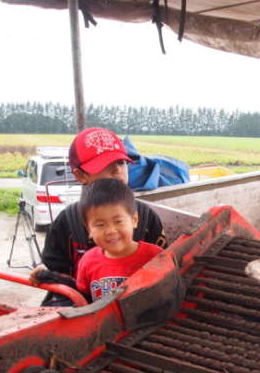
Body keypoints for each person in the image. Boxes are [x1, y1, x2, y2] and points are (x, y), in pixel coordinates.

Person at [30, 127, 166, 305]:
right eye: (105, 165)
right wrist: (48, 277)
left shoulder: (147, 218)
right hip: (82, 305)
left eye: (121, 162)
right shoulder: (66, 222)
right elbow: (59, 275)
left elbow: (163, 273)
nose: (117, 171)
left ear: (134, 220)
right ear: (80, 175)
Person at [76, 178, 164, 302]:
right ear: (89, 230)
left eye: (118, 221)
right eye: (100, 225)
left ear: (134, 220)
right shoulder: (87, 262)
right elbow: (83, 298)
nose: (111, 230)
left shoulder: (156, 256)